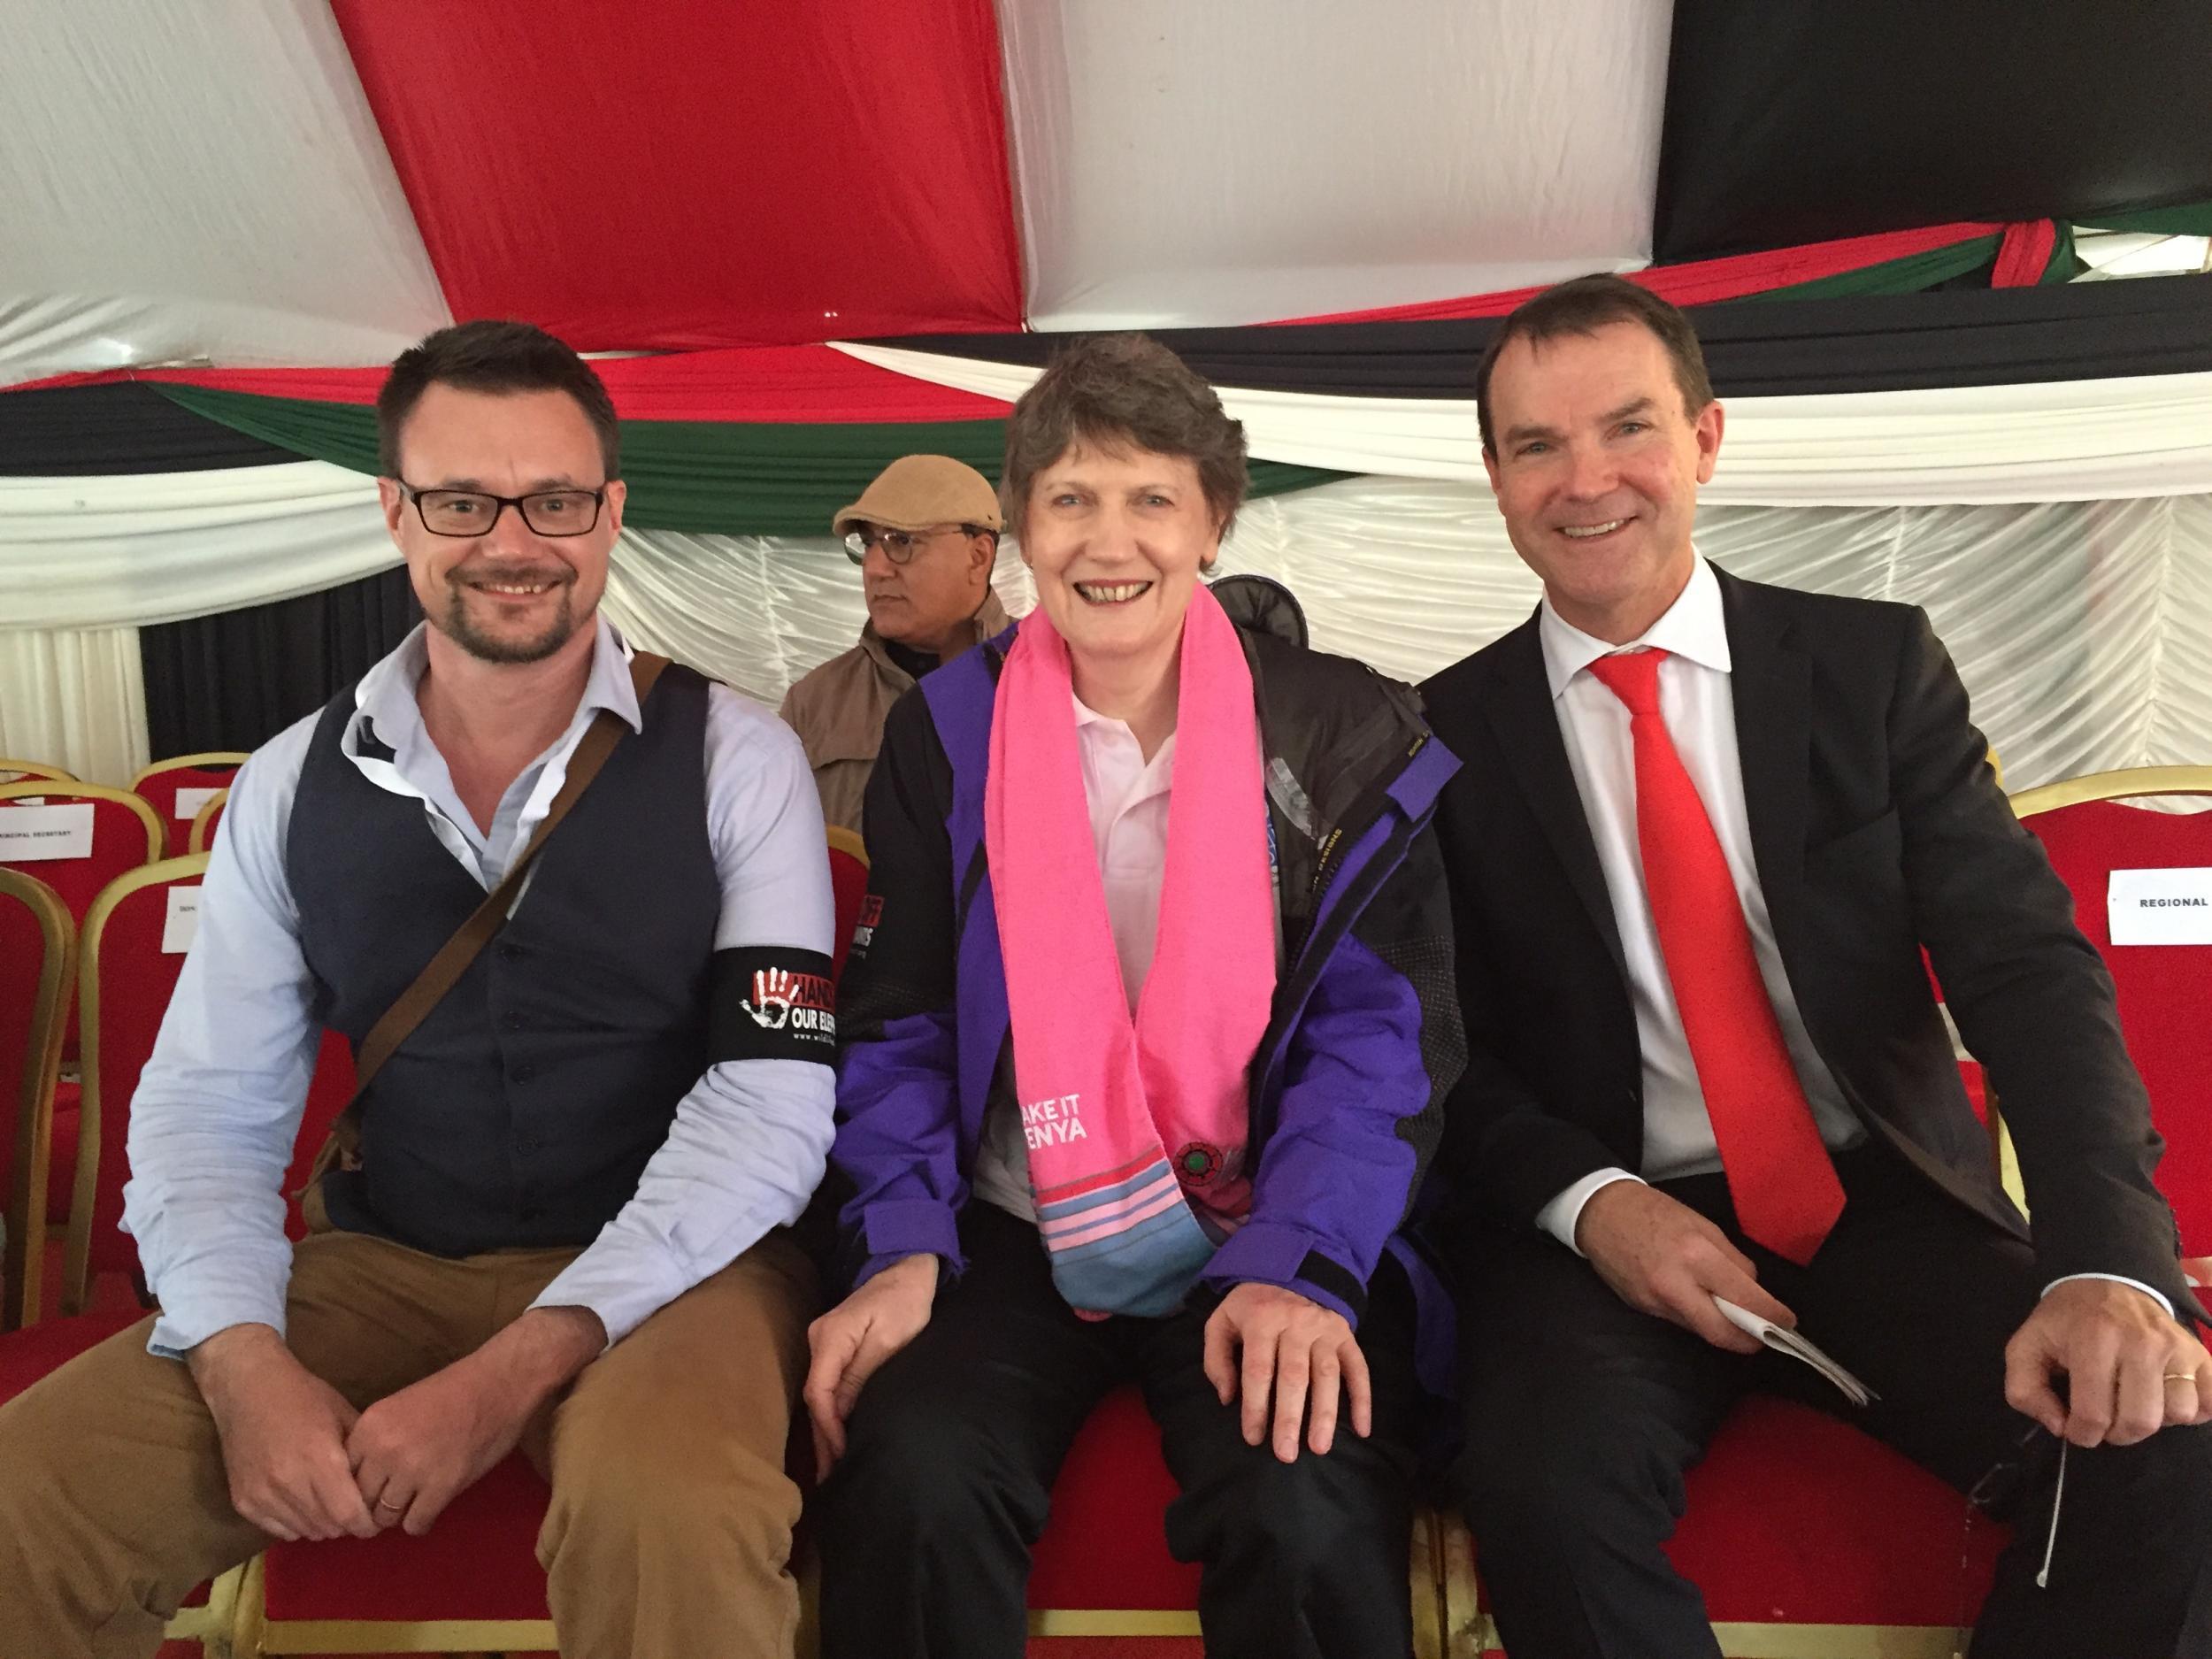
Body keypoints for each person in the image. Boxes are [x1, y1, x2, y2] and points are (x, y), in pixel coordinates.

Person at [0, 320, 837, 1659]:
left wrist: (517, 1366)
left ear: (611, 511)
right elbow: (211, 1104)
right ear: (395, 511)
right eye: (462, 499)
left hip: (682, 1265)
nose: (513, 539)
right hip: (386, 1256)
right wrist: (238, 1353)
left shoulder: (742, 758)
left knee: (669, 1505)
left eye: (554, 498)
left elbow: (770, 1102)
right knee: (24, 1493)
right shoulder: (285, 781)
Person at [1419, 274, 2212, 1659]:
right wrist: (1592, 1202)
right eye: (1536, 444)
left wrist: (2113, 1264)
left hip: (1877, 1193)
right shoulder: (1434, 736)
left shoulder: (1871, 666)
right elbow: (1439, 1046)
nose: (1586, 479)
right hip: (1606, 1230)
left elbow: (2027, 967)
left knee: (2168, 1455)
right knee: (1545, 1500)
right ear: (1493, 475)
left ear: (1709, 437)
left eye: (1628, 428)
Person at [803, 333, 1465, 1659]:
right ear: (1021, 531)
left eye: (1152, 497)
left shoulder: (1347, 734)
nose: (1113, 541)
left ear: (1214, 520)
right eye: (1071, 499)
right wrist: (899, 1245)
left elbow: (1378, 1042)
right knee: (913, 1470)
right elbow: (898, 1023)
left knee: (1307, 1494)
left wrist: (1306, 1261)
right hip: (1008, 1219)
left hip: (1260, 1223)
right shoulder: (947, 734)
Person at [780, 453, 1012, 833]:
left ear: (978, 555)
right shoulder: (814, 703)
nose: (874, 567)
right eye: (868, 543)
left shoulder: (1056, 677)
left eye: (901, 541)